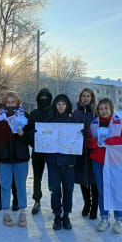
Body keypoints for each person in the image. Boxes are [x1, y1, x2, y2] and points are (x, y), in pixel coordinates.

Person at [87, 98, 122, 234]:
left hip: (116, 161)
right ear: (98, 110)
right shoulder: (94, 124)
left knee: (117, 190)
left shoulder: (121, 122)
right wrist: (95, 142)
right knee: (102, 191)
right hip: (98, 161)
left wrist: (111, 141)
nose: (104, 111)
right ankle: (104, 218)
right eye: (101, 109)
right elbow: (88, 142)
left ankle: (119, 219)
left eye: (106, 108)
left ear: (111, 109)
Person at [0, 92, 31, 227]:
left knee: (20, 185)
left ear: (17, 103)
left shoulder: (24, 116)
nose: (10, 105)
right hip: (3, 157)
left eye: (12, 102)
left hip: (21, 157)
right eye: (7, 102)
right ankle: (6, 212)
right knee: (5, 185)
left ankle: (22, 212)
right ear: (4, 103)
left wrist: (23, 134)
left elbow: (31, 139)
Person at [45, 94, 78, 230]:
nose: (61, 106)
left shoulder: (73, 122)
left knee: (68, 189)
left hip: (68, 161)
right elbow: (41, 137)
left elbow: (78, 140)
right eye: (58, 104)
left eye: (63, 104)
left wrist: (82, 135)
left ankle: (66, 216)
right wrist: (37, 133)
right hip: (53, 161)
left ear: (67, 106)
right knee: (55, 190)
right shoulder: (48, 121)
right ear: (55, 105)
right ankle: (57, 215)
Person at [72, 88, 99, 219]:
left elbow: (102, 130)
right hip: (80, 151)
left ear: (92, 98)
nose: (86, 98)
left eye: (88, 96)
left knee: (94, 180)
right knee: (83, 179)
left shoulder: (96, 113)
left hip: (94, 150)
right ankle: (87, 203)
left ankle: (94, 206)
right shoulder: (75, 113)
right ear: (80, 98)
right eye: (83, 96)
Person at [28, 88, 53, 215]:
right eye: (42, 97)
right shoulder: (33, 114)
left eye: (46, 97)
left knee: (54, 178)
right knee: (37, 177)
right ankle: (37, 200)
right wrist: (34, 135)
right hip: (38, 151)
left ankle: (55, 200)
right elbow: (28, 132)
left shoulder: (54, 113)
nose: (44, 99)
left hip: (53, 152)